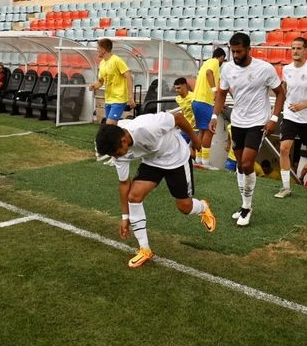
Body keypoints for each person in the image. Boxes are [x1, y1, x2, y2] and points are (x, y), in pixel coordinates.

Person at [95, 111, 216, 268]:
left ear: (124, 141)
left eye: (116, 154)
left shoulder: (148, 125)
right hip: (152, 162)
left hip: (176, 158)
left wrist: (195, 140)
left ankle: (203, 207)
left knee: (185, 208)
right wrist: (125, 217)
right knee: (134, 196)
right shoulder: (118, 152)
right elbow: (124, 184)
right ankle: (145, 250)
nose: (116, 158)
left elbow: (178, 117)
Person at [211, 33, 285, 227]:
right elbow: (221, 93)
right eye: (233, 51)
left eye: (239, 51)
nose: (235, 55)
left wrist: (273, 119)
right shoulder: (227, 68)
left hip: (257, 123)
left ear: (248, 49)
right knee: (238, 165)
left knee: (246, 164)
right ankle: (244, 204)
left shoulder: (264, 68)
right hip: (237, 123)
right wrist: (213, 115)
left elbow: (280, 93)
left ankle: (247, 207)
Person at [275, 36, 307, 198]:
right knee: (283, 149)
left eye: (299, 48)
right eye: (293, 48)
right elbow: (283, 90)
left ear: (305, 50)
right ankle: (285, 187)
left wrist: (303, 105)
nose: (295, 51)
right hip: (290, 115)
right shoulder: (287, 69)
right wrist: (276, 109)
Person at [88, 38, 135, 162]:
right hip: (108, 99)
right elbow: (101, 81)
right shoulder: (102, 63)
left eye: (97, 48)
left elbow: (129, 77)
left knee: (108, 127)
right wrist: (94, 86)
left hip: (119, 99)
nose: (96, 50)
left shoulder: (117, 61)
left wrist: (130, 96)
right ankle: (118, 152)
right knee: (112, 129)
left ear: (103, 49)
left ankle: (114, 155)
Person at [191, 47, 226, 167]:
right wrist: (215, 91)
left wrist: (219, 101)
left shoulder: (205, 63)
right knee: (209, 131)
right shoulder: (214, 62)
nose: (222, 63)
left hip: (197, 100)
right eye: (223, 60)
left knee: (202, 131)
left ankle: (199, 161)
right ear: (221, 57)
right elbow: (209, 73)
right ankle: (205, 163)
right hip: (204, 101)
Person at [173, 77, 196, 146]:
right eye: (176, 88)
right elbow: (183, 111)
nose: (177, 90)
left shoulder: (194, 97)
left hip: (196, 128)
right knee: (179, 146)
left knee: (193, 149)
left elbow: (198, 111)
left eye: (179, 88)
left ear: (185, 86)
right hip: (185, 127)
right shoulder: (178, 99)